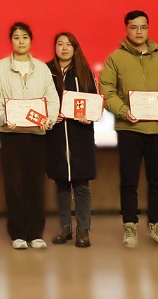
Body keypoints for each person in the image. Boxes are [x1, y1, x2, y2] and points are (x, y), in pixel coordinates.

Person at [99, 10, 158, 249]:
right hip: (129, 128)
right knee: (129, 181)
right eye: (134, 27)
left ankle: (156, 226)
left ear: (148, 29)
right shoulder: (116, 58)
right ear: (126, 29)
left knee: (157, 181)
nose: (139, 32)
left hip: (157, 129)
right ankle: (130, 226)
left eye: (143, 27)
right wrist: (124, 111)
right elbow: (107, 91)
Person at [0, 22, 59, 250]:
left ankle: (35, 233)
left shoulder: (42, 69)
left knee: (35, 184)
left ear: (31, 40)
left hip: (37, 135)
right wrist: (3, 118)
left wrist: (49, 119)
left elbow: (52, 98)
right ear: (11, 40)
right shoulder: (0, 68)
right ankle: (18, 233)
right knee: (14, 185)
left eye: (25, 37)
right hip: (11, 135)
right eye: (16, 37)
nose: (21, 41)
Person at [45, 32, 98, 248]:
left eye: (69, 44)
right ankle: (65, 227)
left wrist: (89, 116)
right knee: (62, 185)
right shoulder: (46, 71)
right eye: (60, 44)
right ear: (55, 47)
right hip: (56, 135)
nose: (64, 48)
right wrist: (49, 115)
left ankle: (83, 229)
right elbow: (41, 101)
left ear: (75, 48)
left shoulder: (84, 70)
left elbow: (93, 101)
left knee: (82, 185)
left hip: (80, 135)